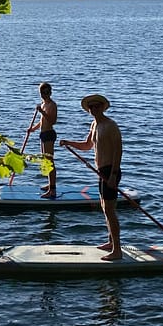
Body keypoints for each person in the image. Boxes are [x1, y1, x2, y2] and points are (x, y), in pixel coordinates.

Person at [60, 93, 123, 261]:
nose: (93, 109)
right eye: (91, 107)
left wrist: (113, 175)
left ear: (102, 107)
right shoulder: (94, 125)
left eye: (96, 106)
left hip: (111, 171)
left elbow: (118, 151)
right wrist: (68, 142)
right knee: (105, 208)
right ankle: (111, 242)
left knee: (110, 210)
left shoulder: (111, 126)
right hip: (101, 171)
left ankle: (117, 250)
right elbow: (87, 146)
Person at [27, 82, 58, 197]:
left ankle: (53, 190)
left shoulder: (52, 105)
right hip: (43, 134)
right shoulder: (43, 104)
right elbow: (42, 122)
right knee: (45, 161)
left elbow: (52, 121)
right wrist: (33, 129)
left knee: (50, 162)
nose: (44, 95)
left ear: (50, 92)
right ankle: (50, 184)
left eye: (46, 92)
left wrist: (42, 112)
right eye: (42, 93)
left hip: (49, 134)